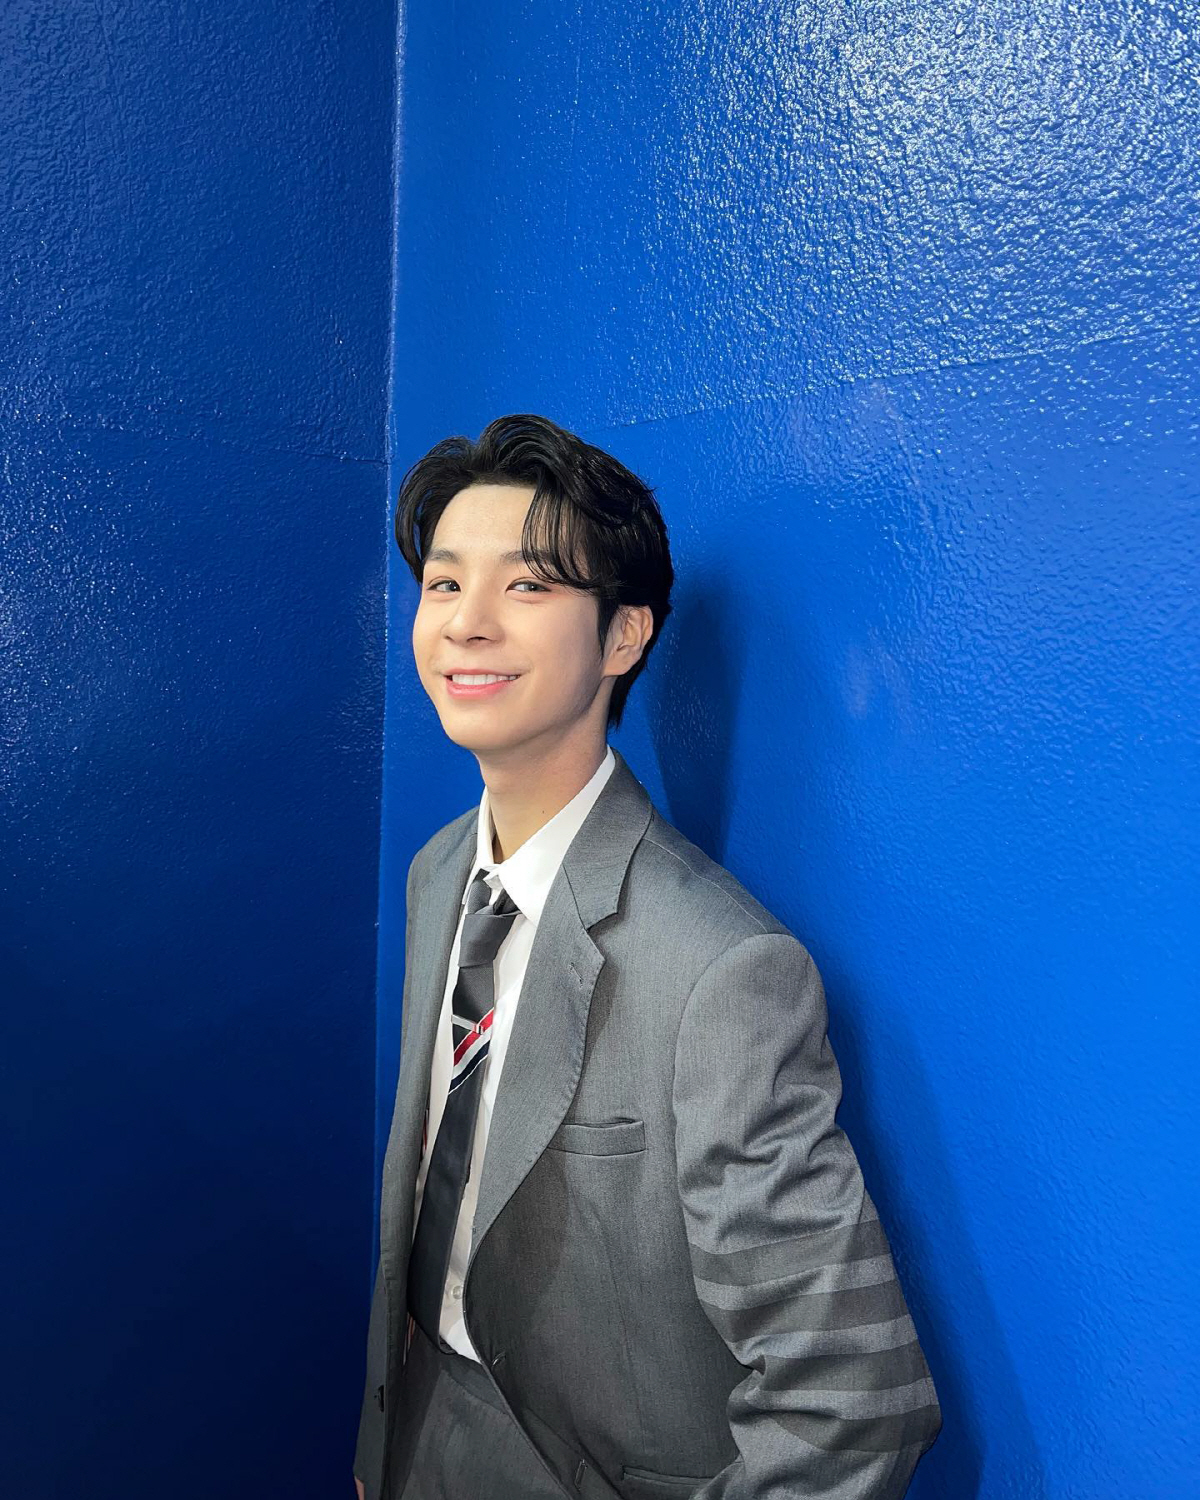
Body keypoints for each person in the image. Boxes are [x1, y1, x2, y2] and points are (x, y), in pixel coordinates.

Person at [352, 413, 942, 1500]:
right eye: (444, 584)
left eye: (527, 585)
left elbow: (854, 1399)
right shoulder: (439, 874)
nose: (468, 623)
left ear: (624, 636)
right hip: (416, 1428)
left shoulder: (723, 968)